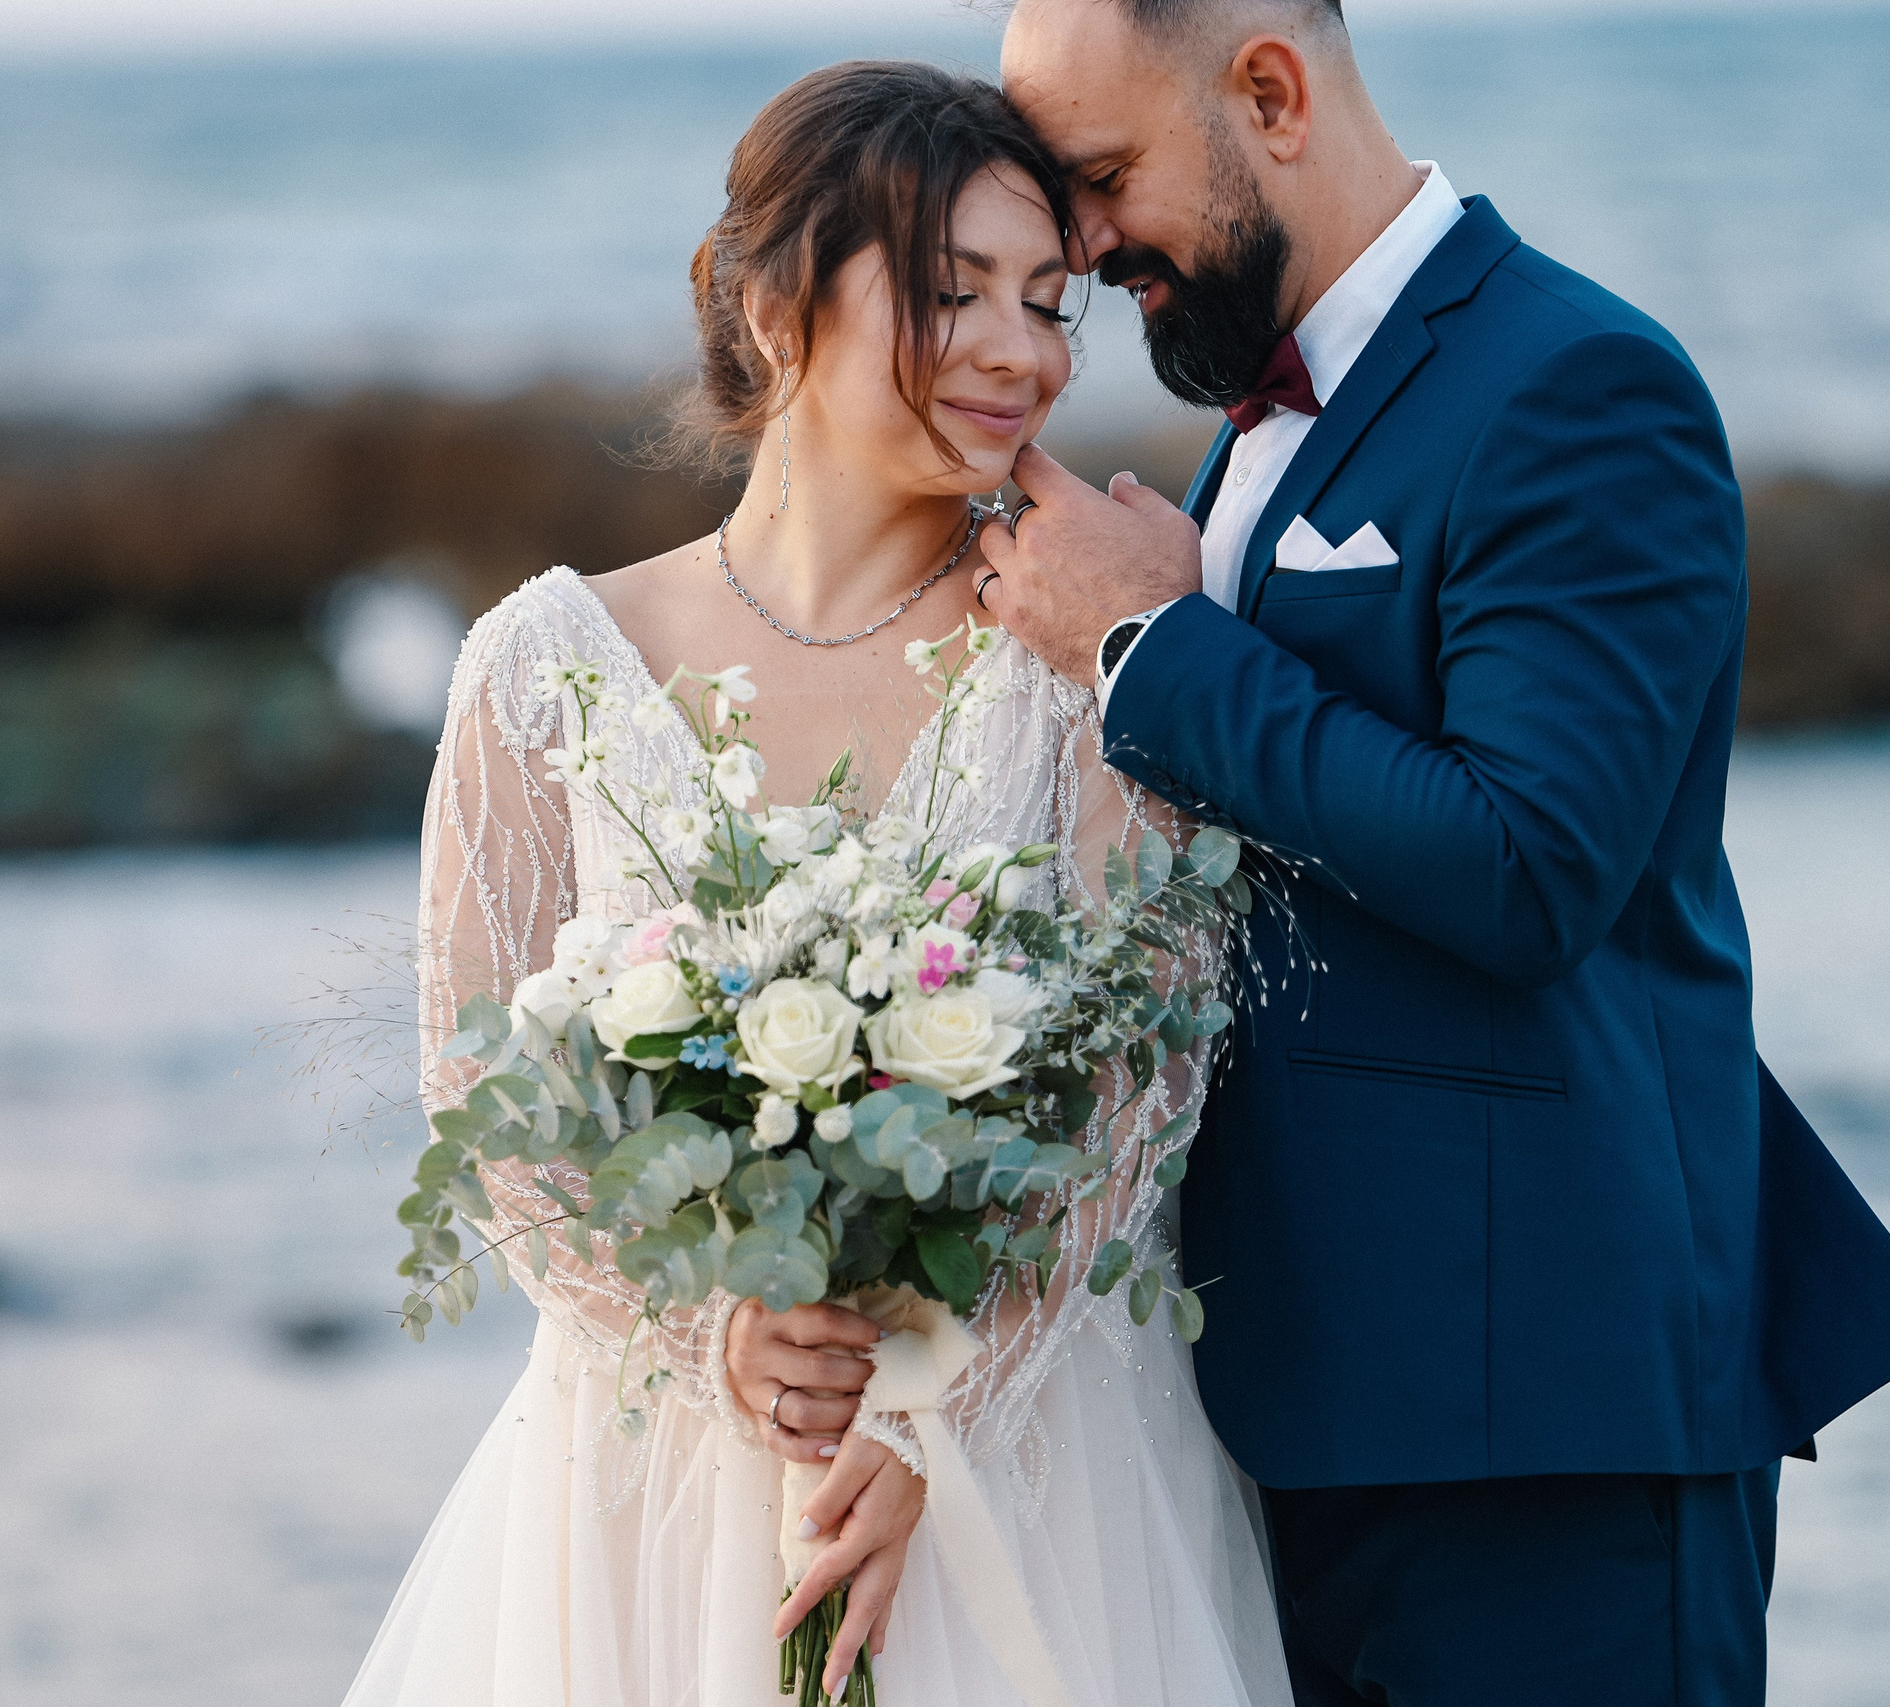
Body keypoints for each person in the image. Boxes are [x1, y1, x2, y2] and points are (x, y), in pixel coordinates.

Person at [972, 2, 1890, 1703]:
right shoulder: (1260, 427)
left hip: (1541, 1424)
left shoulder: (1579, 385)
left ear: (1269, 93)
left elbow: (1533, 864)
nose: (1081, 245)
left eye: (1105, 176)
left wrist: (1152, 654)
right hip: (1310, 1401)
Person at [341, 61, 1289, 1707]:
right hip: (653, 1493)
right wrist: (708, 1336)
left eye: (1051, 301)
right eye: (951, 290)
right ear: (779, 307)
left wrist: (946, 1401)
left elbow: (1142, 1089)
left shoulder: (1077, 653)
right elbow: (483, 1106)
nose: (1023, 348)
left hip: (1027, 1467)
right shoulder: (544, 668)